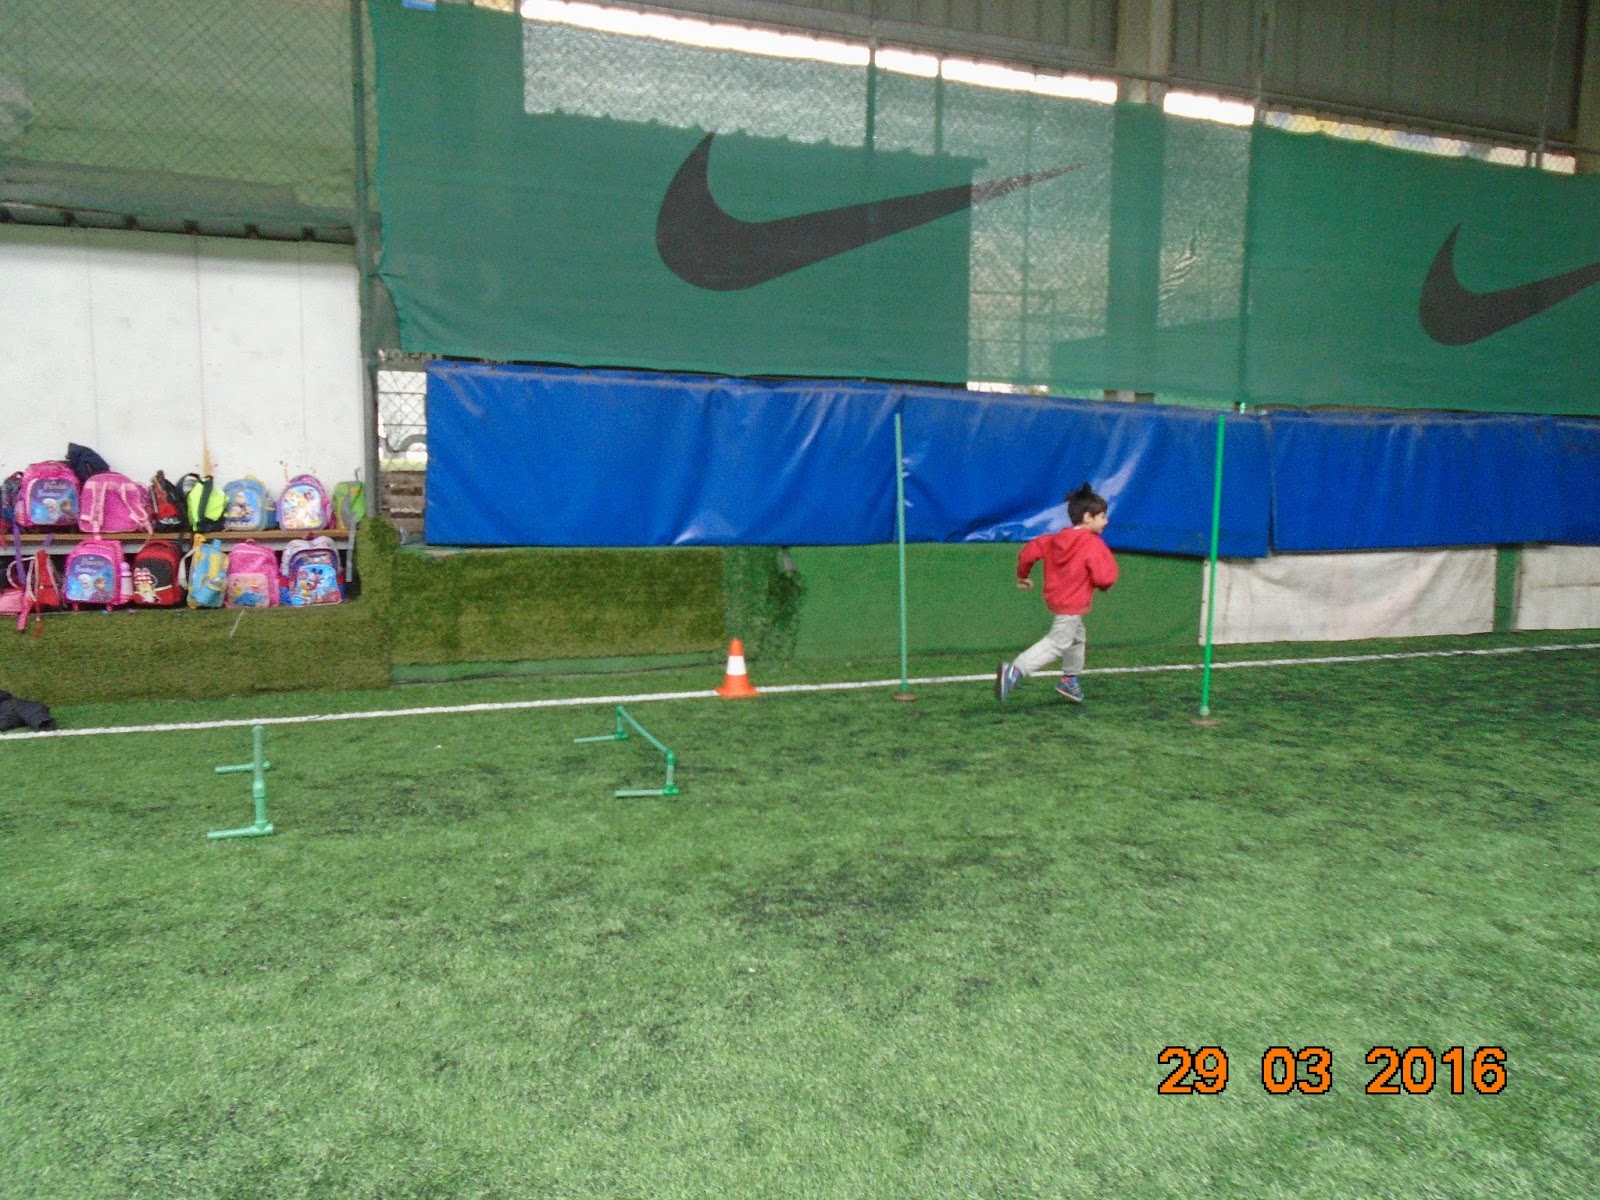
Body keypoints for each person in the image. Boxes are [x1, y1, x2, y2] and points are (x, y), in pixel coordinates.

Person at [996, 482, 1118, 704]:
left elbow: (1028, 553)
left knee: (1076, 638)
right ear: (1088, 517)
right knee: (1058, 643)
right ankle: (1015, 670)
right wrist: (1104, 584)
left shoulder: (1053, 540)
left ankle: (1069, 680)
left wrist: (1023, 575)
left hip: (1056, 601)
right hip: (1071, 604)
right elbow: (1104, 578)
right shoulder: (1093, 544)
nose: (1106, 521)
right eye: (1102, 516)